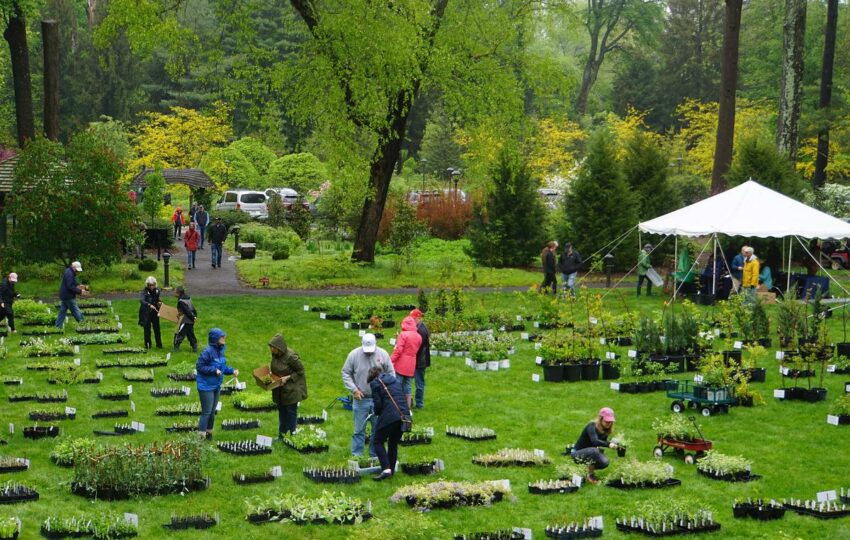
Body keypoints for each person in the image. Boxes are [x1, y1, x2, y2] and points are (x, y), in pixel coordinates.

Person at [341, 333, 395, 457]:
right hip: (361, 399)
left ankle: (374, 456)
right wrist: (354, 389)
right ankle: (357, 457)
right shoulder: (353, 355)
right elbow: (345, 373)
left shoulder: (383, 354)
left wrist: (386, 391)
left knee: (378, 430)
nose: (369, 353)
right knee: (359, 430)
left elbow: (391, 373)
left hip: (379, 400)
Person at [367, 366, 410, 480]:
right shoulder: (394, 379)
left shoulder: (376, 383)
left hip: (390, 416)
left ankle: (386, 470)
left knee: (377, 441)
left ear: (372, 376)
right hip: (404, 416)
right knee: (393, 443)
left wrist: (376, 412)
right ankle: (391, 471)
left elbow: (378, 404)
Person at [196, 328, 238, 439]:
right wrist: (214, 371)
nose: (224, 338)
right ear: (215, 339)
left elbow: (222, 367)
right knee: (206, 412)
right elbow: (200, 367)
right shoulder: (207, 352)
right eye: (222, 336)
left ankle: (208, 434)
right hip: (206, 386)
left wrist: (232, 371)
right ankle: (200, 437)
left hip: (216, 386)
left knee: (212, 412)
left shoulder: (220, 350)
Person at [269, 333, 307, 436]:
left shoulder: (291, 357)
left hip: (292, 389)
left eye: (273, 347)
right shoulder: (276, 355)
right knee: (282, 413)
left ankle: (293, 436)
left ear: (279, 347)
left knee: (290, 413)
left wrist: (288, 377)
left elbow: (301, 371)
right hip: (280, 389)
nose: (271, 349)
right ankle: (282, 434)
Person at [572, 407, 619, 484]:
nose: (609, 423)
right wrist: (609, 444)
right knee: (595, 451)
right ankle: (590, 475)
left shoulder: (605, 430)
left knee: (605, 462)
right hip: (577, 454)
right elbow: (595, 441)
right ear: (600, 419)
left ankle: (586, 469)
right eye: (607, 421)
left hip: (590, 453)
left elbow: (602, 441)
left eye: (610, 421)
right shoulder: (591, 426)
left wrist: (615, 444)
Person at [390, 315, 422, 408]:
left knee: (397, 384)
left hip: (401, 363)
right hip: (412, 363)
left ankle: (396, 406)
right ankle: (407, 407)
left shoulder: (403, 334)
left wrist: (390, 360)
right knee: (407, 386)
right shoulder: (418, 336)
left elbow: (398, 351)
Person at [55, 261, 86, 327]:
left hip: (64, 295)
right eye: (77, 270)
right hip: (68, 295)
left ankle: (58, 326)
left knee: (62, 311)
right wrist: (80, 291)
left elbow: (72, 282)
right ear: (73, 267)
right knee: (75, 310)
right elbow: (70, 286)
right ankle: (83, 324)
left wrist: (78, 285)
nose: (77, 271)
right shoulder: (70, 273)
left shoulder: (69, 271)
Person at [410, 308, 430, 409]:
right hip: (419, 359)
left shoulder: (421, 330)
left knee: (419, 383)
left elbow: (418, 346)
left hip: (420, 361)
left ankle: (419, 404)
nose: (411, 320)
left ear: (418, 318)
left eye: (413, 318)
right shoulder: (419, 328)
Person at [138, 276, 163, 349]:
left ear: (155, 284)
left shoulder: (157, 290)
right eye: (149, 285)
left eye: (153, 285)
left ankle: (159, 345)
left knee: (157, 328)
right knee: (147, 329)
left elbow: (157, 299)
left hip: (155, 312)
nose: (151, 286)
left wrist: (159, 303)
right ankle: (148, 345)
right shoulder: (144, 291)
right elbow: (142, 300)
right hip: (146, 312)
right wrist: (149, 305)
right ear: (147, 285)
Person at [173, 286, 198, 352]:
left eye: (175, 292)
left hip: (185, 320)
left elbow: (187, 311)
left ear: (178, 293)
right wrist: (194, 317)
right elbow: (192, 308)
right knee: (190, 334)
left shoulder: (181, 301)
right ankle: (194, 346)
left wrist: (193, 317)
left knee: (179, 333)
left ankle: (176, 347)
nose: (174, 293)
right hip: (190, 320)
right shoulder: (188, 297)